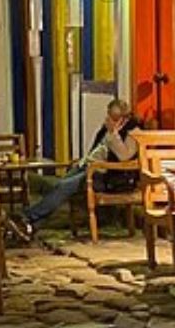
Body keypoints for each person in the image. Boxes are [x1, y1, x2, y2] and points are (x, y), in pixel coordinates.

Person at [15, 99, 143, 240]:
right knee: (58, 186)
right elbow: (97, 150)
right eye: (108, 115)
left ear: (124, 119)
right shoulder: (106, 128)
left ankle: (26, 217)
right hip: (89, 168)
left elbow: (124, 157)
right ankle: (31, 226)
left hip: (108, 178)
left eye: (113, 117)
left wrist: (114, 134)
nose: (108, 120)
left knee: (63, 187)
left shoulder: (132, 132)